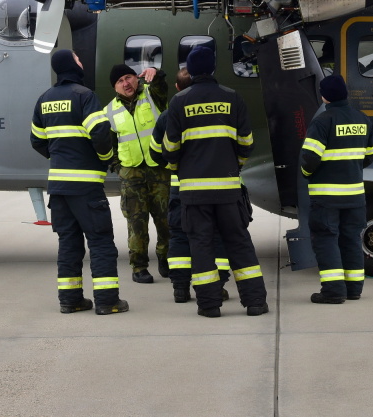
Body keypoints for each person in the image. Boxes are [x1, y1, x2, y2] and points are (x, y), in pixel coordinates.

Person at [162, 45, 268, 318]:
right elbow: (246, 143)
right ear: (212, 69)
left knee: (201, 246)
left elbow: (171, 148)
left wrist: (180, 170)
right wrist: (235, 167)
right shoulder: (233, 98)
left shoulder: (179, 102)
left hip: (194, 193)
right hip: (228, 190)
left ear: (192, 71)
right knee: (239, 242)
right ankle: (255, 302)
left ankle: (209, 306)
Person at [31, 49, 128, 315]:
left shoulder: (44, 100)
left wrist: (59, 155)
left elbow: (37, 140)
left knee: (69, 244)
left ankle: (70, 300)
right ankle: (108, 302)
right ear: (71, 65)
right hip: (85, 187)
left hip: (59, 187)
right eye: (78, 58)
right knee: (100, 242)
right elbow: (99, 131)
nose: (81, 61)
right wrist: (105, 157)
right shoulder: (84, 96)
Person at [149, 69, 231, 304]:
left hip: (181, 187)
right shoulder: (222, 107)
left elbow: (155, 155)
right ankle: (218, 286)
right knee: (215, 236)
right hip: (218, 185)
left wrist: (174, 162)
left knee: (180, 236)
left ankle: (180, 288)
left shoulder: (168, 115)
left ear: (176, 88)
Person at [300, 74, 373, 304]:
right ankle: (353, 289)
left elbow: (309, 159)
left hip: (327, 198)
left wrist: (306, 174)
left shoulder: (323, 121)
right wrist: (351, 167)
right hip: (354, 196)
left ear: (324, 97)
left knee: (326, 239)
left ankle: (333, 291)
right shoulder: (362, 119)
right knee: (351, 239)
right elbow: (371, 155)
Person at [104, 62, 171, 284]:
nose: (126, 83)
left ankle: (165, 257)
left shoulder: (152, 96)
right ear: (115, 87)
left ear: (137, 79)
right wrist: (117, 166)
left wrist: (157, 74)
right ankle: (139, 267)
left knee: (166, 220)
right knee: (136, 223)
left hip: (158, 170)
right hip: (131, 175)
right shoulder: (109, 111)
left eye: (129, 78)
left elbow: (162, 88)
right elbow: (110, 144)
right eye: (120, 81)